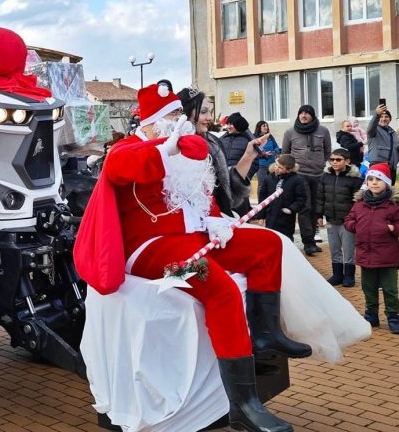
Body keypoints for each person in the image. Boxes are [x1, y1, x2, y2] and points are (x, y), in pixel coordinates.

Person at [76, 82, 311, 432]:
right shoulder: (132, 147)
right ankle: (243, 406)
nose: (178, 121)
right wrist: (165, 148)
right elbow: (119, 167)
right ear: (152, 121)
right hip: (150, 252)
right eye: (170, 116)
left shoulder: (187, 151)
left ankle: (264, 332)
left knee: (267, 246)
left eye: (177, 115)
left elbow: (200, 196)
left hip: (194, 238)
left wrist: (215, 220)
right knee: (222, 291)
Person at [344, 162, 399, 334]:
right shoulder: (359, 204)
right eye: (371, 179)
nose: (374, 182)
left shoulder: (393, 205)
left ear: (387, 183)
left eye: (379, 179)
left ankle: (393, 316)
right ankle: (371, 315)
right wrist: (355, 226)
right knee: (368, 287)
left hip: (387, 256)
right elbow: (349, 220)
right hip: (365, 254)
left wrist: (392, 228)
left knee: (390, 289)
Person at [282, 104, 332, 255]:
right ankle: (308, 242)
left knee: (316, 208)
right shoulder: (290, 132)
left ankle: (311, 238)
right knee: (305, 207)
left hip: (318, 175)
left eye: (307, 113)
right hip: (300, 175)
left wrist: (321, 163)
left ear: (313, 115)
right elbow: (285, 153)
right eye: (301, 113)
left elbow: (327, 151)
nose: (303, 116)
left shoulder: (323, 131)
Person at [316, 148, 362, 287]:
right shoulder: (325, 177)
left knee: (348, 249)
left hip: (347, 222)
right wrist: (319, 215)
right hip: (331, 219)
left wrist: (353, 219)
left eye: (338, 159)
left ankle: (349, 275)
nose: (334, 162)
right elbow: (320, 197)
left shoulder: (355, 180)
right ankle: (337, 275)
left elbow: (357, 202)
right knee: (334, 248)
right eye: (332, 159)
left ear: (347, 161)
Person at [258, 154, 309, 242]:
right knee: (270, 239)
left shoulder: (297, 180)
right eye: (276, 165)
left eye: (281, 168)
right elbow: (263, 197)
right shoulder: (269, 178)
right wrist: (261, 216)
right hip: (271, 215)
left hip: (286, 218)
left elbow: (301, 198)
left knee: (286, 240)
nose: (277, 168)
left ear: (289, 170)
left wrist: (291, 209)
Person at [366, 103, 398, 175]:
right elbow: (371, 126)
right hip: (378, 167)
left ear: (390, 119)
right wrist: (377, 114)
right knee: (378, 186)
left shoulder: (394, 133)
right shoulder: (374, 130)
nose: (384, 119)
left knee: (390, 186)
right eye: (381, 117)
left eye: (386, 117)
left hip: (392, 168)